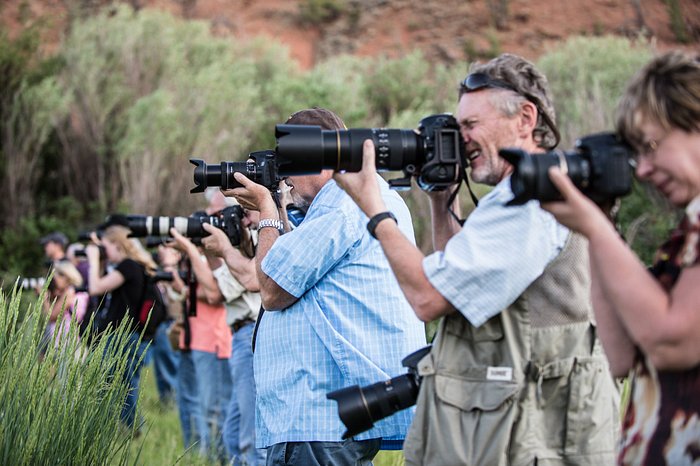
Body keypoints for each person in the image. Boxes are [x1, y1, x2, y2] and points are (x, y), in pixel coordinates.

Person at [334, 53, 621, 465]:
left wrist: (375, 210)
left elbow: (428, 299)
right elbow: (457, 279)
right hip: (504, 426)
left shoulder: (532, 203)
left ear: (525, 118)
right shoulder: (515, 196)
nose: (462, 139)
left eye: (471, 125)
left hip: (530, 434)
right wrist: (439, 197)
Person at [228, 107, 427, 466]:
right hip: (336, 412)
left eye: (287, 167)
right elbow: (295, 267)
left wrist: (267, 212)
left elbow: (272, 290)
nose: (284, 180)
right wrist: (278, 215)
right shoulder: (365, 198)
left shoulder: (341, 207)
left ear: (313, 158)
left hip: (318, 412)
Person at [540, 50, 700, 466]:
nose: (642, 170)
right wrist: (599, 226)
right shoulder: (686, 231)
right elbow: (621, 354)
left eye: (651, 147)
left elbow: (671, 343)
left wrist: (594, 227)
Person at [167, 193, 233, 462]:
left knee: (214, 408)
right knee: (200, 405)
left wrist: (184, 285)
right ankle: (205, 455)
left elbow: (216, 293)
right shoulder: (195, 261)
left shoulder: (217, 257)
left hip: (214, 340)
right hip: (197, 339)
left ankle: (217, 459)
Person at [201, 198, 266, 466]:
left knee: (252, 438)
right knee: (232, 435)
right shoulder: (240, 248)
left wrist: (216, 251)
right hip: (241, 337)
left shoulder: (255, 244)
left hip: (249, 336)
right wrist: (204, 251)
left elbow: (217, 292)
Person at [85, 225, 158, 429]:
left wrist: (92, 259)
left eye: (105, 247)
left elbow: (95, 287)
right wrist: (99, 261)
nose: (103, 251)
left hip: (123, 335)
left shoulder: (128, 266)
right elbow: (100, 293)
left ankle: (133, 427)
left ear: (117, 244)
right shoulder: (129, 267)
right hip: (122, 334)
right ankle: (125, 426)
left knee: (120, 383)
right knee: (119, 382)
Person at [40, 260, 89, 351]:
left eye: (56, 276)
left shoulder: (69, 293)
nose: (54, 279)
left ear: (66, 276)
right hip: (69, 342)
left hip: (66, 344)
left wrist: (44, 298)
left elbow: (51, 316)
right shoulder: (78, 292)